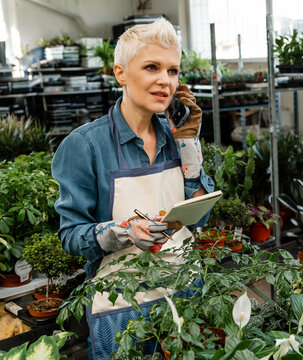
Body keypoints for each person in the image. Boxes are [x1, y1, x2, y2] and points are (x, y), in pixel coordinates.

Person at [51, 18, 213, 359]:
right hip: (121, 305)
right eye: (151, 67)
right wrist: (122, 232)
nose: (165, 81)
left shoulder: (176, 136)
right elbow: (70, 236)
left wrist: (189, 145)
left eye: (172, 71)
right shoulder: (86, 146)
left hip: (186, 292)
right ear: (120, 73)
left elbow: (202, 216)